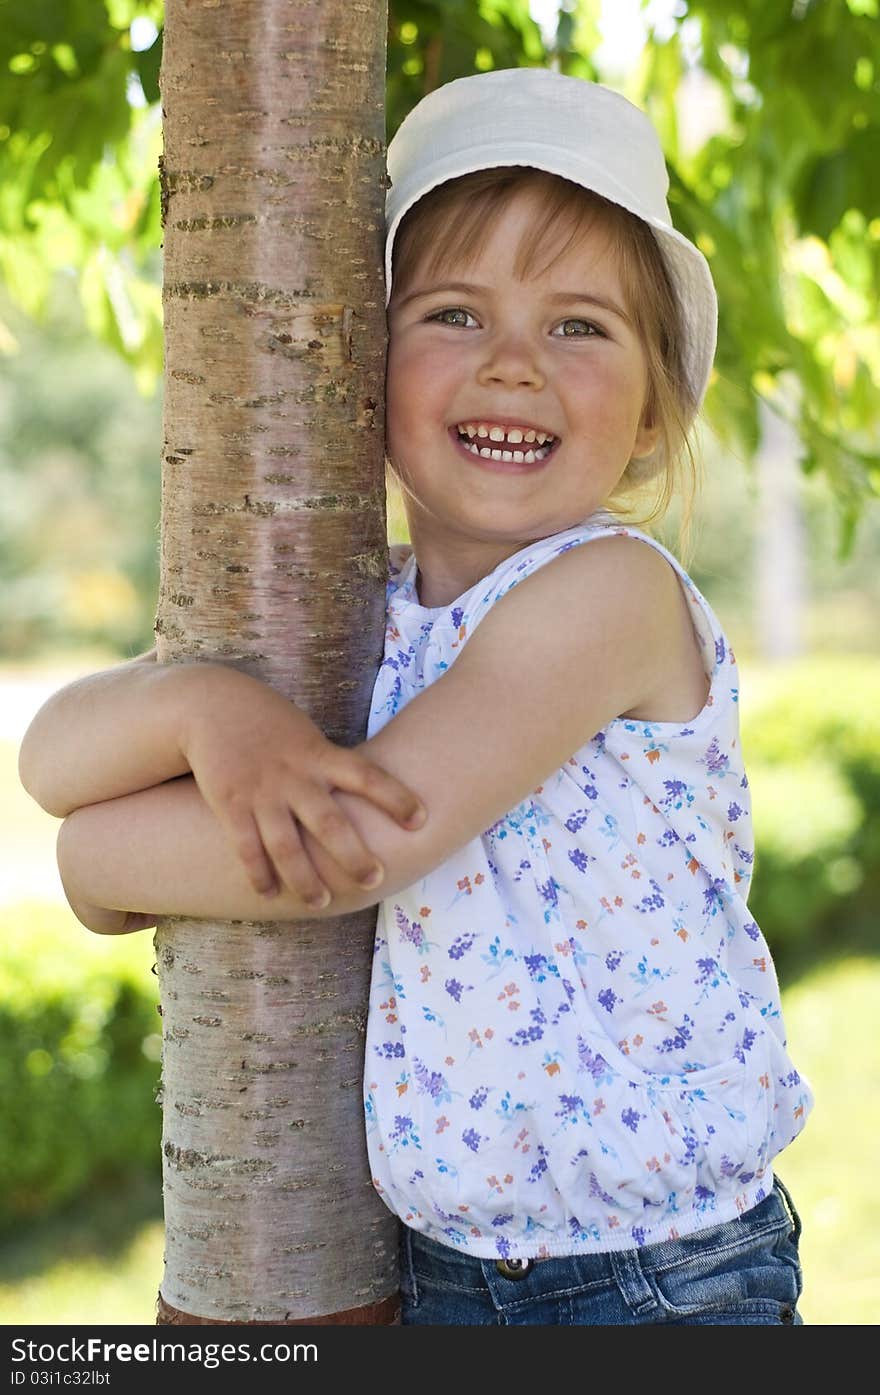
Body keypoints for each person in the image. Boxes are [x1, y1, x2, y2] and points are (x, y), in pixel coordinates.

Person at [19, 68, 812, 1325]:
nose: (513, 367)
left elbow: (361, 844)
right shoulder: (359, 618)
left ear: (655, 414)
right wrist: (204, 711)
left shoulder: (609, 594)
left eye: (579, 327)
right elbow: (53, 755)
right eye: (453, 314)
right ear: (363, 367)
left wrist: (99, 856)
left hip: (652, 1277)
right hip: (450, 1270)